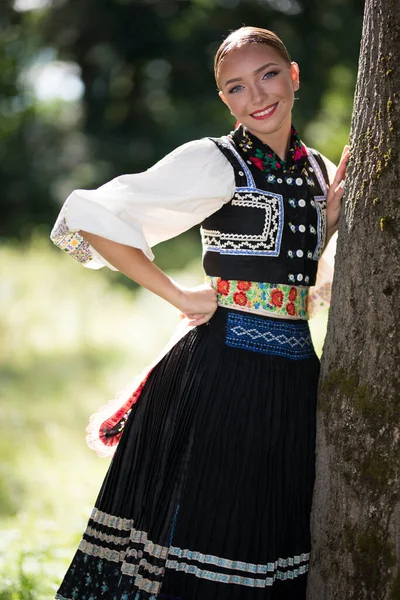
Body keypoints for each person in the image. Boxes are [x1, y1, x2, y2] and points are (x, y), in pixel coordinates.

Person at [51, 26, 349, 600]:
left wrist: (329, 221)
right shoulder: (213, 161)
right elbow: (88, 215)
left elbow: (302, 271)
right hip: (221, 373)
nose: (256, 97)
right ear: (224, 101)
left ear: (293, 77)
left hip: (293, 376)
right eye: (236, 88)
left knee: (273, 536)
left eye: (267, 76)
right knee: (211, 534)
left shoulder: (318, 169)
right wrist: (180, 295)